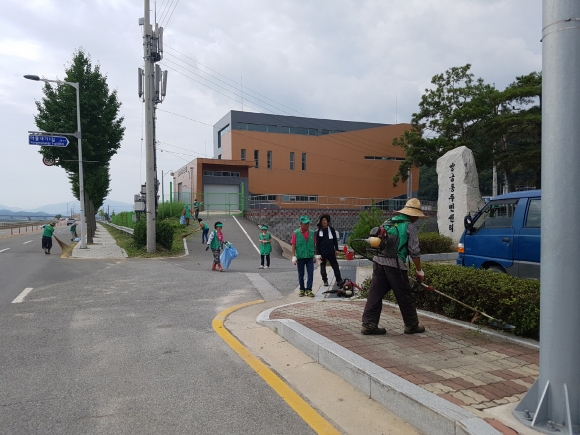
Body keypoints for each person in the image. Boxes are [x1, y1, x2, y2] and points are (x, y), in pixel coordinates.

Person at [361, 198, 427, 335]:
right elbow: (414, 251)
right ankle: (412, 325)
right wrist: (419, 270)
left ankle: (369, 324)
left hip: (379, 261)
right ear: (413, 215)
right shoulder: (409, 227)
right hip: (395, 265)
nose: (417, 219)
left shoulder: (388, 222)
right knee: (404, 295)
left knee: (375, 293)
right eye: (417, 216)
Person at [291, 215, 317, 297]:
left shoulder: (312, 233)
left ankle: (309, 290)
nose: (307, 225)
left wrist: (315, 255)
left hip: (309, 256)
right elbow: (293, 245)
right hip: (300, 257)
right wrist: (293, 256)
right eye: (305, 224)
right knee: (301, 274)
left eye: (308, 223)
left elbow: (314, 244)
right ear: (300, 224)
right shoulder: (296, 233)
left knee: (310, 273)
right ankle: (302, 289)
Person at [315, 214, 343, 288]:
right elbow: (317, 244)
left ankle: (339, 280)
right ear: (320, 222)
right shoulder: (318, 232)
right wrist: (318, 254)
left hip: (331, 252)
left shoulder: (331, 230)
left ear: (327, 221)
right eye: (323, 220)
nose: (324, 221)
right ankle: (325, 280)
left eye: (325, 220)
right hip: (322, 253)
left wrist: (336, 249)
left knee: (335, 266)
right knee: (322, 268)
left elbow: (335, 240)